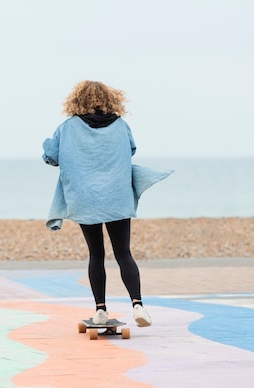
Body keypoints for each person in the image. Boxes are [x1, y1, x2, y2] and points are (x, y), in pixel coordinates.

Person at [42, 80, 166, 327]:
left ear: (76, 100)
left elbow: (51, 156)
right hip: (116, 196)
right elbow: (130, 150)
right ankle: (138, 304)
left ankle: (100, 310)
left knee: (96, 253)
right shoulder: (121, 125)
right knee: (123, 253)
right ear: (111, 99)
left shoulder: (67, 127)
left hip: (85, 198)